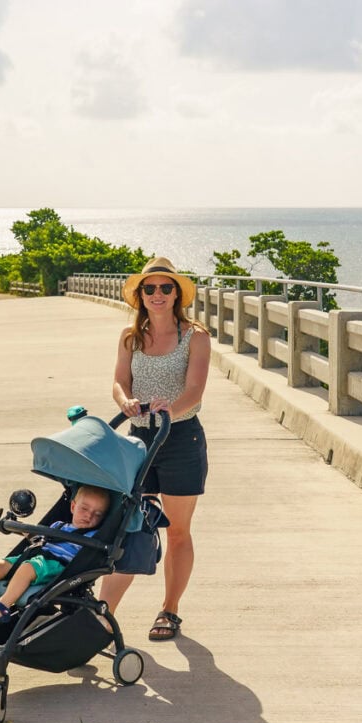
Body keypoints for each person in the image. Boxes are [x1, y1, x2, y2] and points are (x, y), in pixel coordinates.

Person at [99, 257, 211, 642]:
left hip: (180, 439)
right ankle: (103, 613)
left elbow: (195, 389)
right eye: (150, 288)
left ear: (177, 293)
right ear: (140, 295)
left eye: (166, 288)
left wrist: (168, 411)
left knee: (178, 531)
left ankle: (170, 609)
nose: (158, 294)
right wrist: (126, 401)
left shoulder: (195, 336)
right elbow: (118, 381)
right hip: (138, 439)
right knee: (130, 527)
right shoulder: (130, 337)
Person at [0, 484, 111, 624]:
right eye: (84, 508)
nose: (89, 516)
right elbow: (37, 537)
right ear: (73, 507)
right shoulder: (59, 525)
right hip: (36, 556)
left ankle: (3, 607)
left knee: (27, 567)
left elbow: (90, 557)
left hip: (56, 566)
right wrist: (15, 526)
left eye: (97, 514)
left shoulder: (92, 536)